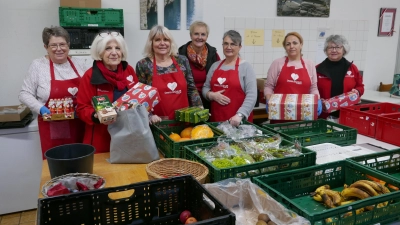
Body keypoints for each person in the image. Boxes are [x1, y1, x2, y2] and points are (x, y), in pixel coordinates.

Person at [19, 26, 90, 158]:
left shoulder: (80, 63)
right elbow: (24, 93)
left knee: (82, 162)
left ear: (68, 45)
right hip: (53, 127)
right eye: (53, 45)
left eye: (62, 44)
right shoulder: (38, 65)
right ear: (45, 46)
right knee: (59, 166)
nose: (59, 49)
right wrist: (40, 108)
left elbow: (90, 89)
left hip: (80, 124)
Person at [76, 31, 138, 153]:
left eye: (118, 48)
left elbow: (137, 97)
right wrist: (96, 115)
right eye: (108, 48)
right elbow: (82, 108)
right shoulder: (90, 76)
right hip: (101, 138)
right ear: (100, 52)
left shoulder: (128, 70)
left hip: (128, 135)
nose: (114, 53)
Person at [135, 25, 203, 123]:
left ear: (170, 42)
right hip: (158, 122)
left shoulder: (182, 61)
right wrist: (149, 115)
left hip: (184, 120)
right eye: (157, 40)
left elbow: (191, 89)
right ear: (151, 43)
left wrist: (199, 108)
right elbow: (141, 96)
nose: (162, 43)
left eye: (166, 40)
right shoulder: (143, 65)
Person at [202, 30, 257, 126]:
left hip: (238, 122)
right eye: (226, 44)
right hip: (216, 120)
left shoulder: (246, 67)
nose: (228, 47)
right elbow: (205, 87)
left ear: (240, 47)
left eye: (233, 44)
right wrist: (211, 95)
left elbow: (252, 95)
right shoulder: (215, 66)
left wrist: (240, 115)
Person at [264, 31, 321, 123]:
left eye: (295, 43)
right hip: (280, 115)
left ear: (301, 45)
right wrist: (268, 99)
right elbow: (268, 86)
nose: (291, 46)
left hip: (304, 116)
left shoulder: (309, 64)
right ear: (285, 47)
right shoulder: (277, 63)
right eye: (288, 44)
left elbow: (313, 88)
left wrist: (317, 100)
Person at [316, 34, 364, 119]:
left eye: (338, 47)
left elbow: (360, 86)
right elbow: (312, 89)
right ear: (326, 50)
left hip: (347, 115)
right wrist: (318, 100)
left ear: (344, 49)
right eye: (330, 47)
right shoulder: (317, 69)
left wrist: (357, 91)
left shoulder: (352, 68)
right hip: (324, 115)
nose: (334, 50)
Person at [178, 21, 220, 110]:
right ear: (191, 35)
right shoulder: (181, 56)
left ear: (207, 36)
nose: (199, 37)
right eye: (196, 34)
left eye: (203, 34)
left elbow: (220, 77)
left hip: (209, 100)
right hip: (187, 103)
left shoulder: (213, 55)